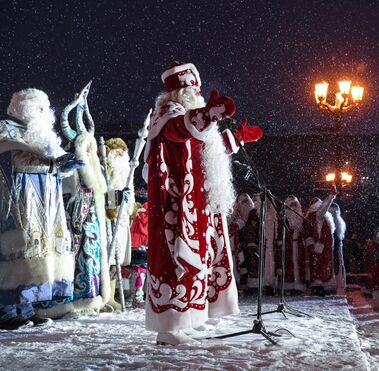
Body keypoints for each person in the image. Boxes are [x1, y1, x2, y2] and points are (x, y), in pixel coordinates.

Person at [144, 61, 262, 345]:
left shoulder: (187, 113)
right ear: (179, 91)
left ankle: (189, 319)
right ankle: (168, 328)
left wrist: (235, 138)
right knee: (176, 261)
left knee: (200, 261)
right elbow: (179, 130)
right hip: (176, 205)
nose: (196, 92)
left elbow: (202, 147)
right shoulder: (168, 114)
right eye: (192, 89)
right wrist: (208, 114)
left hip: (197, 201)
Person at [0, 88, 82, 329]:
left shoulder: (42, 134)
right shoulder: (6, 128)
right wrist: (43, 158)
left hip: (45, 203)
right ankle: (6, 311)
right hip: (16, 200)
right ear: (24, 108)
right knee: (18, 250)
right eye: (39, 108)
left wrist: (64, 163)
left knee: (37, 254)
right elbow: (8, 154)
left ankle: (27, 308)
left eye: (45, 108)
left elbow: (55, 162)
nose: (45, 113)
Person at [38, 87, 111, 318]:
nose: (90, 149)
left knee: (91, 260)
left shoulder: (94, 169)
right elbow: (69, 196)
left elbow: (98, 193)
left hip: (90, 226)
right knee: (78, 262)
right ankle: (73, 300)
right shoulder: (75, 167)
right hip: (75, 227)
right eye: (86, 146)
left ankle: (90, 297)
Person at [101, 137, 135, 310]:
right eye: (117, 151)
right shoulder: (105, 169)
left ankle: (112, 295)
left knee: (117, 259)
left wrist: (131, 206)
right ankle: (104, 296)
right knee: (108, 258)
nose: (121, 154)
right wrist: (117, 197)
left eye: (123, 151)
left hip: (122, 219)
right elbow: (102, 191)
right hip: (109, 218)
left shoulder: (126, 170)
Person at [303, 192, 336, 296]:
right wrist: (331, 197)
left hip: (316, 246)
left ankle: (318, 287)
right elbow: (324, 207)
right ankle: (319, 287)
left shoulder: (310, 217)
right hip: (320, 246)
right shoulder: (318, 214)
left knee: (317, 267)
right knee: (321, 267)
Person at [277, 195, 307, 294]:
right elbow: (280, 231)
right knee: (288, 265)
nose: (294, 207)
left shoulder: (301, 218)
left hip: (298, 244)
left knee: (299, 264)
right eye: (292, 205)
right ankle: (288, 286)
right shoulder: (283, 218)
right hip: (287, 244)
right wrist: (281, 242)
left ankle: (299, 286)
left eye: (295, 205)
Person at [328, 202, 346, 294]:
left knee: (337, 266)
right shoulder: (330, 222)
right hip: (331, 247)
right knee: (332, 266)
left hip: (337, 247)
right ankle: (332, 285)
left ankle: (335, 284)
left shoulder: (339, 222)